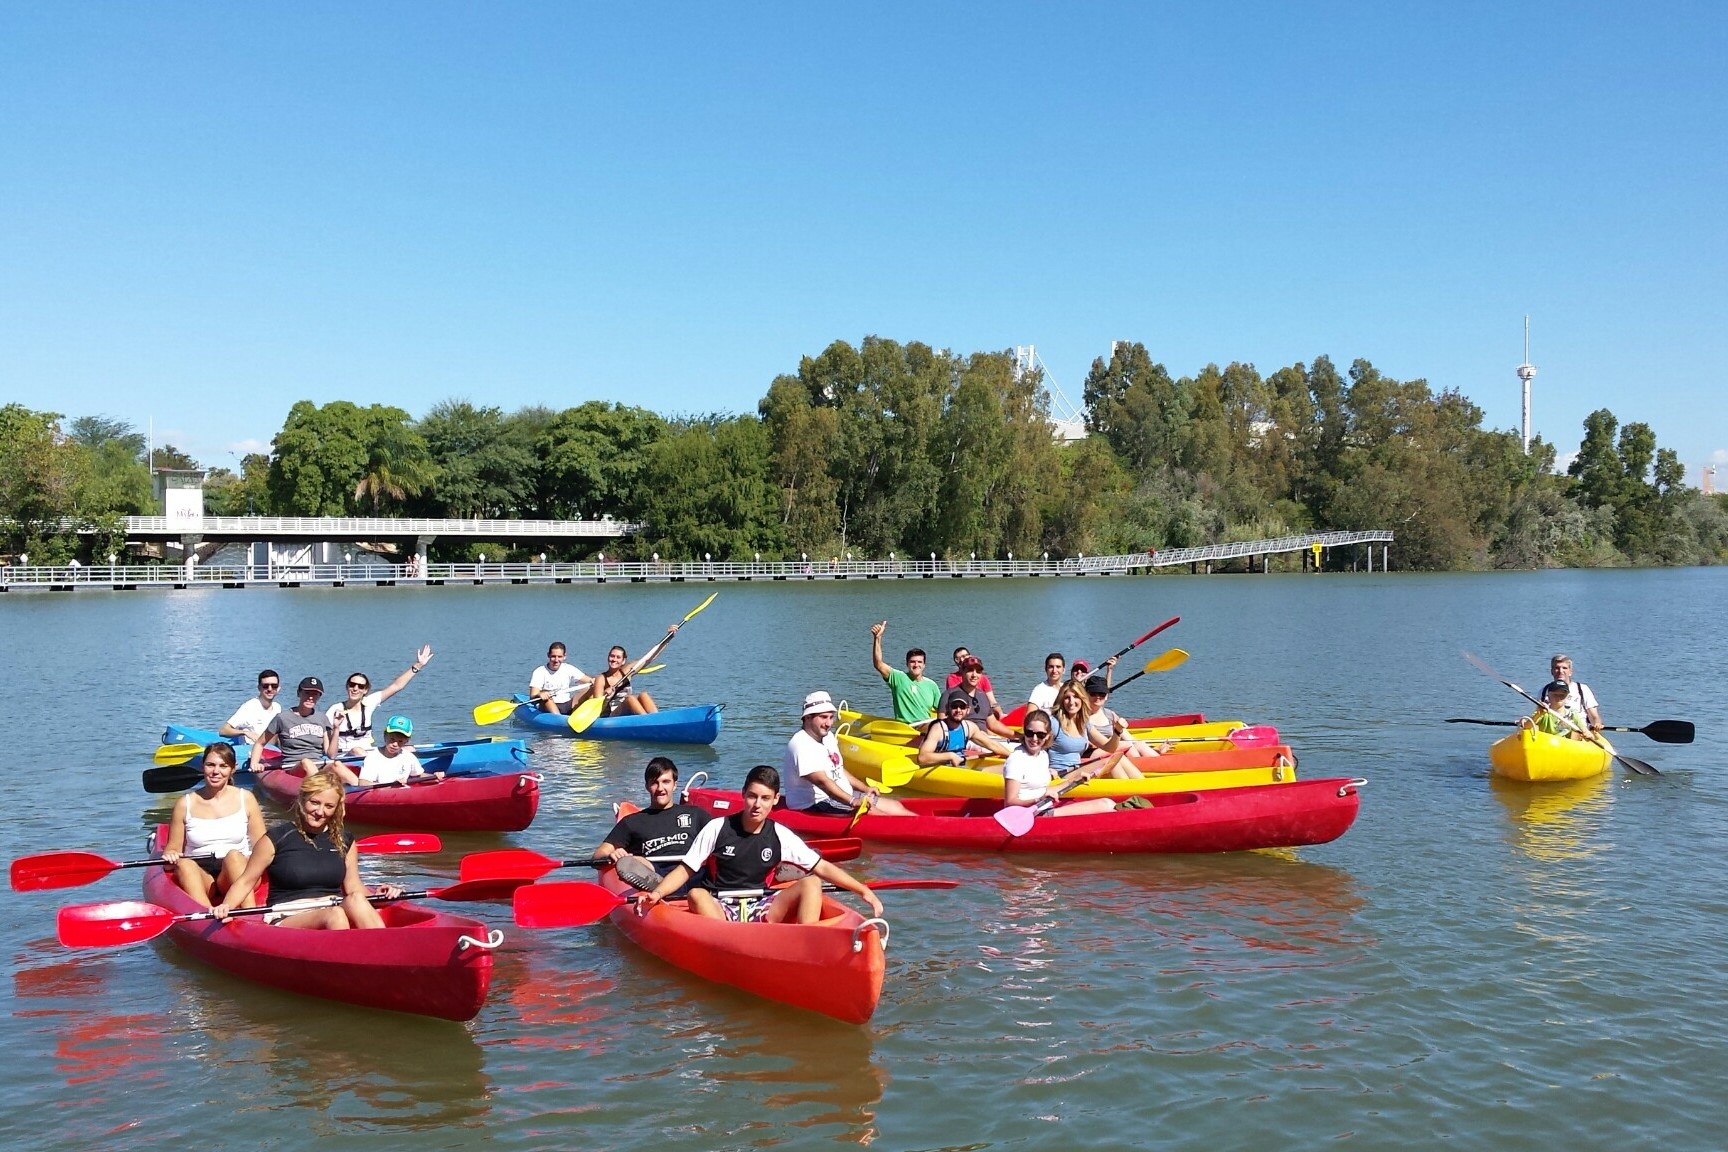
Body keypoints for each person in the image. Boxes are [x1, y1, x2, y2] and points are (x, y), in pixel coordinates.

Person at [636, 764, 883, 924]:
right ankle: (729, 945)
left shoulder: (780, 835)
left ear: (775, 800)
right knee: (696, 894)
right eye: (752, 796)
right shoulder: (718, 828)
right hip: (721, 907)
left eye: (765, 798)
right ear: (743, 794)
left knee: (811, 882)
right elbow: (685, 870)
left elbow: (822, 867)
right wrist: (656, 893)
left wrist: (863, 891)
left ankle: (808, 939)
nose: (757, 804)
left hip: (762, 904)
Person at [213, 770, 401, 929]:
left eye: (328, 806)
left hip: (334, 907)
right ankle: (349, 962)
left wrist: (380, 896)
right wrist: (226, 906)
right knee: (334, 915)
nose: (320, 812)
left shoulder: (345, 841)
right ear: (302, 800)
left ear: (336, 809)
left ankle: (386, 954)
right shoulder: (277, 837)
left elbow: (353, 887)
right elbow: (245, 882)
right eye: (315, 802)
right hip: (287, 915)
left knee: (357, 900)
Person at [161, 743, 267, 908]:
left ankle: (251, 913)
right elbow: (172, 850)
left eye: (223, 766)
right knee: (184, 864)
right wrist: (171, 856)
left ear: (233, 769)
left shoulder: (246, 798)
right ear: (203, 767)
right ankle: (207, 917)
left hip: (238, 872)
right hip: (202, 876)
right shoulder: (185, 803)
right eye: (210, 765)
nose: (216, 771)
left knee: (233, 856)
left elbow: (263, 845)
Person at [784, 691, 915, 816]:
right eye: (823, 717)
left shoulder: (828, 736)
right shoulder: (800, 744)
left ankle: (929, 827)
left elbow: (839, 769)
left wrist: (865, 789)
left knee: (895, 806)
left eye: (831, 717)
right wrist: (853, 801)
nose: (829, 723)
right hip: (815, 804)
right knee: (877, 814)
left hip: (840, 795)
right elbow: (822, 782)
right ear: (807, 717)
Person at [593, 757, 709, 894]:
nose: (660, 788)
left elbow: (723, 840)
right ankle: (661, 887)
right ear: (647, 786)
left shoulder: (696, 814)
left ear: (675, 785)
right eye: (654, 783)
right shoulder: (632, 822)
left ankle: (669, 889)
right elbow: (598, 856)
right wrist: (613, 854)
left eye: (666, 782)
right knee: (631, 862)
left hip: (691, 873)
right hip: (654, 872)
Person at [1001, 710, 1123, 818]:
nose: (1034, 738)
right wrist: (1038, 799)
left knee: (1108, 803)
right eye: (1029, 733)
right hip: (1028, 815)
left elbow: (1042, 791)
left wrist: (1075, 780)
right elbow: (1010, 803)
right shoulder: (1016, 759)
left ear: (1048, 735)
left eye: (1040, 734)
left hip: (1043, 808)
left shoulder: (1042, 755)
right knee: (1105, 805)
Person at [328, 645, 433, 755]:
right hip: (346, 757)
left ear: (365, 690)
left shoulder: (369, 703)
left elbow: (396, 686)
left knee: (409, 749)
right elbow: (324, 739)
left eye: (360, 686)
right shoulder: (335, 709)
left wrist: (418, 665)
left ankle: (415, 770)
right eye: (352, 685)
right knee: (357, 750)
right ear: (347, 687)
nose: (355, 689)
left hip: (368, 753)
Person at [580, 623, 683, 716]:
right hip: (610, 716)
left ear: (623, 661)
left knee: (643, 695)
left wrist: (668, 638)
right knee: (630, 698)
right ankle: (647, 722)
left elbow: (649, 657)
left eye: (618, 657)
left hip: (627, 712)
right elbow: (597, 708)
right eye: (612, 656)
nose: (614, 659)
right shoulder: (601, 679)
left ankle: (657, 720)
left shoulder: (627, 671)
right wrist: (605, 697)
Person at [1051, 681, 1145, 779]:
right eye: (1067, 698)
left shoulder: (1084, 723)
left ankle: (1142, 787)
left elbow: (1109, 748)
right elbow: (1035, 746)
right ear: (1061, 700)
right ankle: (1130, 792)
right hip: (1060, 775)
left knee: (1117, 758)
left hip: (1076, 769)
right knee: (1109, 762)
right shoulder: (1054, 723)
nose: (1071, 702)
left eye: (1075, 697)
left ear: (1082, 699)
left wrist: (1117, 731)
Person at [251, 677, 338, 775]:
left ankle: (358, 787)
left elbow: (331, 754)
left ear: (319, 696)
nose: (310, 697)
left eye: (315, 694)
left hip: (318, 765)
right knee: (306, 762)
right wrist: (254, 763)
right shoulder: (282, 718)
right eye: (307, 693)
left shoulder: (322, 718)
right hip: (294, 767)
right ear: (299, 693)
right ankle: (321, 786)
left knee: (337, 765)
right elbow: (260, 743)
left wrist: (336, 728)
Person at [332, 715, 444, 786]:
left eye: (400, 741)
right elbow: (363, 783)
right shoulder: (373, 757)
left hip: (402, 793)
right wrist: (391, 785)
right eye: (392, 739)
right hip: (382, 794)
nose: (395, 744)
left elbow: (419, 775)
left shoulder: (408, 757)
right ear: (385, 735)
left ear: (406, 741)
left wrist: (434, 776)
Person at [869, 620, 942, 724]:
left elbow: (942, 710)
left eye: (919, 662)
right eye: (912, 662)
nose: (916, 665)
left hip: (925, 726)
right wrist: (877, 638)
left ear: (924, 665)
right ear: (907, 664)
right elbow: (878, 664)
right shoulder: (898, 678)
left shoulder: (932, 685)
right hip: (906, 728)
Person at [917, 689, 1014, 767]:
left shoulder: (969, 727)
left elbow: (993, 745)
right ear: (947, 708)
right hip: (936, 767)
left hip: (959, 765)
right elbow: (922, 757)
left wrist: (1013, 756)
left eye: (962, 707)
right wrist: (950, 756)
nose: (958, 710)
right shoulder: (938, 729)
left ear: (968, 710)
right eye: (954, 706)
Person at [1083, 674, 1163, 759]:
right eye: (1093, 693)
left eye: (1102, 694)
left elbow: (1129, 738)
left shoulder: (1110, 715)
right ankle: (1139, 766)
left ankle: (1158, 762)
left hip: (1112, 748)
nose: (1097, 697)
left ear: (1106, 696)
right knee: (1127, 745)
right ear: (1085, 694)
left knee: (1138, 744)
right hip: (1093, 753)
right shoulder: (1081, 716)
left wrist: (1154, 748)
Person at [949, 658, 1016, 739]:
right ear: (962, 672)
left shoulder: (982, 696)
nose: (974, 675)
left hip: (985, 739)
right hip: (964, 741)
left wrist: (1017, 735)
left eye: (978, 672)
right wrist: (975, 733)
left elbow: (993, 724)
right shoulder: (950, 695)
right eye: (970, 670)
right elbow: (943, 727)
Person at [219, 669, 282, 741]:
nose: (270, 689)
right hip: (250, 749)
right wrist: (245, 733)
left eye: (274, 686)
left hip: (271, 748)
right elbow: (223, 730)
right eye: (265, 686)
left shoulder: (277, 707)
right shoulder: (249, 707)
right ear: (259, 688)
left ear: (278, 688)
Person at [529, 641, 589, 714]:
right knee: (547, 700)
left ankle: (591, 714)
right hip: (549, 704)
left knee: (589, 687)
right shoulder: (539, 671)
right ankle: (558, 718)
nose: (556, 660)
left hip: (567, 704)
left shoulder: (569, 668)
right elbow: (533, 696)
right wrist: (540, 694)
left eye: (559, 657)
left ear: (564, 656)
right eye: (553, 656)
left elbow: (590, 680)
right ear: (548, 655)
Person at [1548, 654, 1603, 732]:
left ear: (1570, 672)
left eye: (1564, 668)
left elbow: (1594, 716)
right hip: (1551, 732)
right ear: (1552, 671)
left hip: (1579, 732)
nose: (1560, 671)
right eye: (1557, 668)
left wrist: (1597, 723)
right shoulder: (1545, 690)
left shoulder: (1583, 689)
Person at [1520, 681, 1590, 739]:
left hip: (1565, 748)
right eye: (1555, 694)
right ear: (1549, 695)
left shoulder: (1572, 715)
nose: (1559, 698)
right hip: (1545, 746)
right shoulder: (1542, 712)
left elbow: (1587, 732)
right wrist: (1538, 714)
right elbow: (1527, 727)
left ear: (1567, 697)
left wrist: (1587, 734)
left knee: (1576, 734)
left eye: (1562, 695)